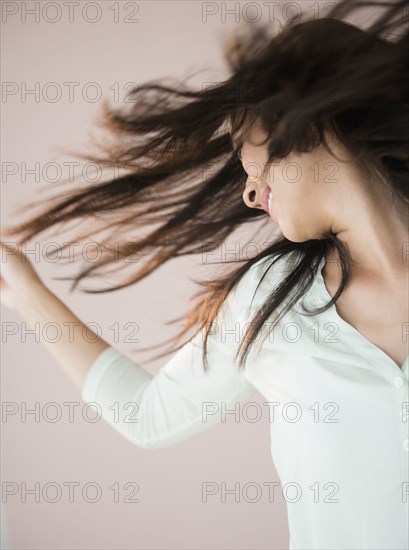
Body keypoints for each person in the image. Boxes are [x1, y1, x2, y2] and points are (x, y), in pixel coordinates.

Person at [1, 1, 408, 548]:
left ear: (310, 124)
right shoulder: (269, 304)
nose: (248, 190)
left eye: (250, 156)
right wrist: (22, 289)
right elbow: (149, 416)